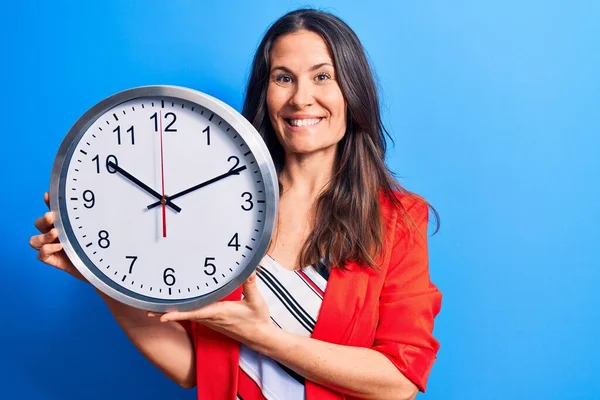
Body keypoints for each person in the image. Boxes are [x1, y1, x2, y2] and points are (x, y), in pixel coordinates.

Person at [29, 8, 442, 400]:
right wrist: (106, 281)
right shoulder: (211, 204)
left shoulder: (397, 220)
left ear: (352, 91)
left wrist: (264, 336)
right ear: (266, 93)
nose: (301, 98)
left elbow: (399, 381)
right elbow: (196, 369)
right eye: (283, 78)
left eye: (322, 76)